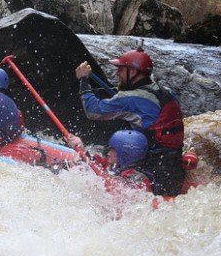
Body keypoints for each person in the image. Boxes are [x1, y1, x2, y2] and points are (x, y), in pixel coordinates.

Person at [73, 47, 185, 196]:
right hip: (174, 169)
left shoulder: (131, 98)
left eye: (120, 69)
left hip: (149, 171)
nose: (117, 73)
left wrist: (83, 80)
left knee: (121, 141)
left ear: (132, 72)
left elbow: (93, 110)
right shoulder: (166, 92)